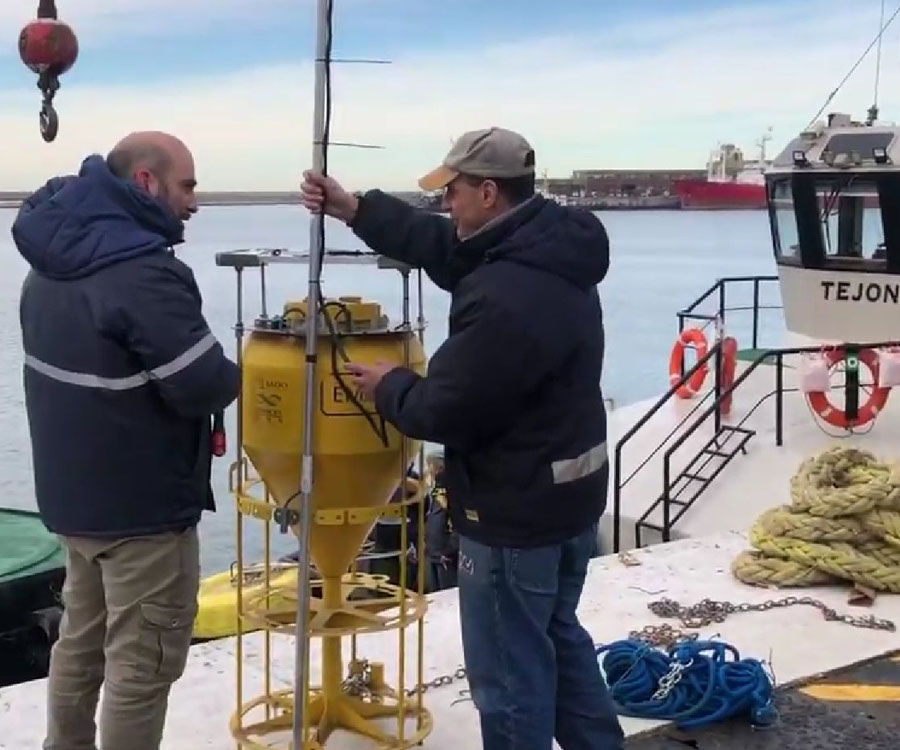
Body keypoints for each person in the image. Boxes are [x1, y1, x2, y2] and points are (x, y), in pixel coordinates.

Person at [300, 126, 624, 750]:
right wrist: (353, 209)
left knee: (507, 678)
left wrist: (392, 384)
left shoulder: (507, 294)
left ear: (487, 193)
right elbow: (443, 246)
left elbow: (444, 408)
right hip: (570, 498)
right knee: (557, 635)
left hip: (513, 513)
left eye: (451, 193)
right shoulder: (546, 249)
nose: (445, 205)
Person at [11, 131, 240, 750]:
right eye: (187, 186)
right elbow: (203, 384)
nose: (194, 203)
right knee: (143, 669)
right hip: (142, 514)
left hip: (76, 505)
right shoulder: (143, 275)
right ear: (146, 182)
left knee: (79, 649)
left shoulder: (52, 261)